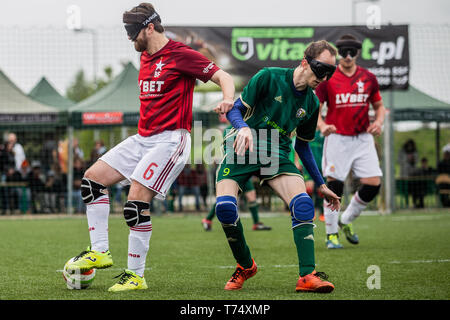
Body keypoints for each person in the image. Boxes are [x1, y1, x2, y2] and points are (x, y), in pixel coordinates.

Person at [64, 2, 235, 292]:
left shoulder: (181, 54)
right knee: (92, 180)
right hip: (142, 139)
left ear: (150, 27)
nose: (130, 38)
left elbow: (224, 76)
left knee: (135, 202)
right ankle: (100, 252)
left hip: (171, 140)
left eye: (133, 32)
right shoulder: (144, 55)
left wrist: (228, 99)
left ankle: (136, 276)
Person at [214, 40, 340, 293]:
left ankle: (308, 276)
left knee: (302, 203)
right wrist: (243, 128)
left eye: (330, 72)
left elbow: (302, 147)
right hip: (242, 147)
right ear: (305, 62)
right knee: (225, 209)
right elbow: (235, 111)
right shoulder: (268, 77)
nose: (323, 77)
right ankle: (245, 265)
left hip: (278, 152)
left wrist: (322, 184)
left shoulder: (312, 104)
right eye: (320, 69)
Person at [315, 34, 385, 249]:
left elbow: (379, 106)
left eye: (351, 52)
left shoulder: (368, 77)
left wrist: (379, 122)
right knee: (334, 186)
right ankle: (331, 234)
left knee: (373, 185)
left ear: (357, 53)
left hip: (363, 138)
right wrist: (322, 125)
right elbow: (315, 109)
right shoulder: (329, 77)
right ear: (338, 53)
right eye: (343, 52)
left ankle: (345, 220)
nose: (347, 57)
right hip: (337, 139)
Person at [202, 177, 272, 231]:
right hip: (235, 170)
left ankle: (256, 223)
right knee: (227, 197)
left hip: (245, 172)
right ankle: (207, 220)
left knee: (251, 195)